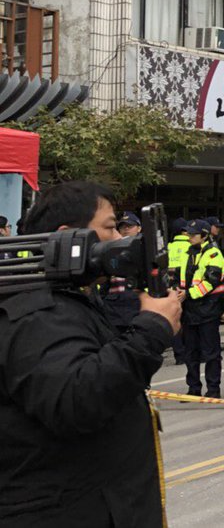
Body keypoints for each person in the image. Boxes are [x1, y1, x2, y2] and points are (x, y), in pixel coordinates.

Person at [0, 180, 183, 527]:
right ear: (70, 237)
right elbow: (77, 398)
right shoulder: (37, 314)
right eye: (111, 227)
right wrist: (151, 331)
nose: (120, 240)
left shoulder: (69, 300)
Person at [181, 218, 224, 397]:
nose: (190, 237)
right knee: (190, 352)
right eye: (189, 233)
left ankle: (213, 389)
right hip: (190, 309)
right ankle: (193, 388)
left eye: (194, 234)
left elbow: (211, 280)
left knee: (211, 353)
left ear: (204, 235)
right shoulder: (188, 253)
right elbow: (181, 278)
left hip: (208, 309)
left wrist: (188, 294)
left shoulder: (214, 254)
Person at [100, 212, 144, 329]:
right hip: (115, 309)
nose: (126, 229)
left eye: (130, 226)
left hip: (139, 305)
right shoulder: (112, 250)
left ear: (139, 228)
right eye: (122, 227)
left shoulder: (146, 249)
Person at [167, 216, 191, 364]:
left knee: (175, 322)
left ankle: (179, 356)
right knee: (187, 322)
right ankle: (190, 352)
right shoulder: (191, 247)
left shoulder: (167, 247)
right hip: (186, 290)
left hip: (169, 290)